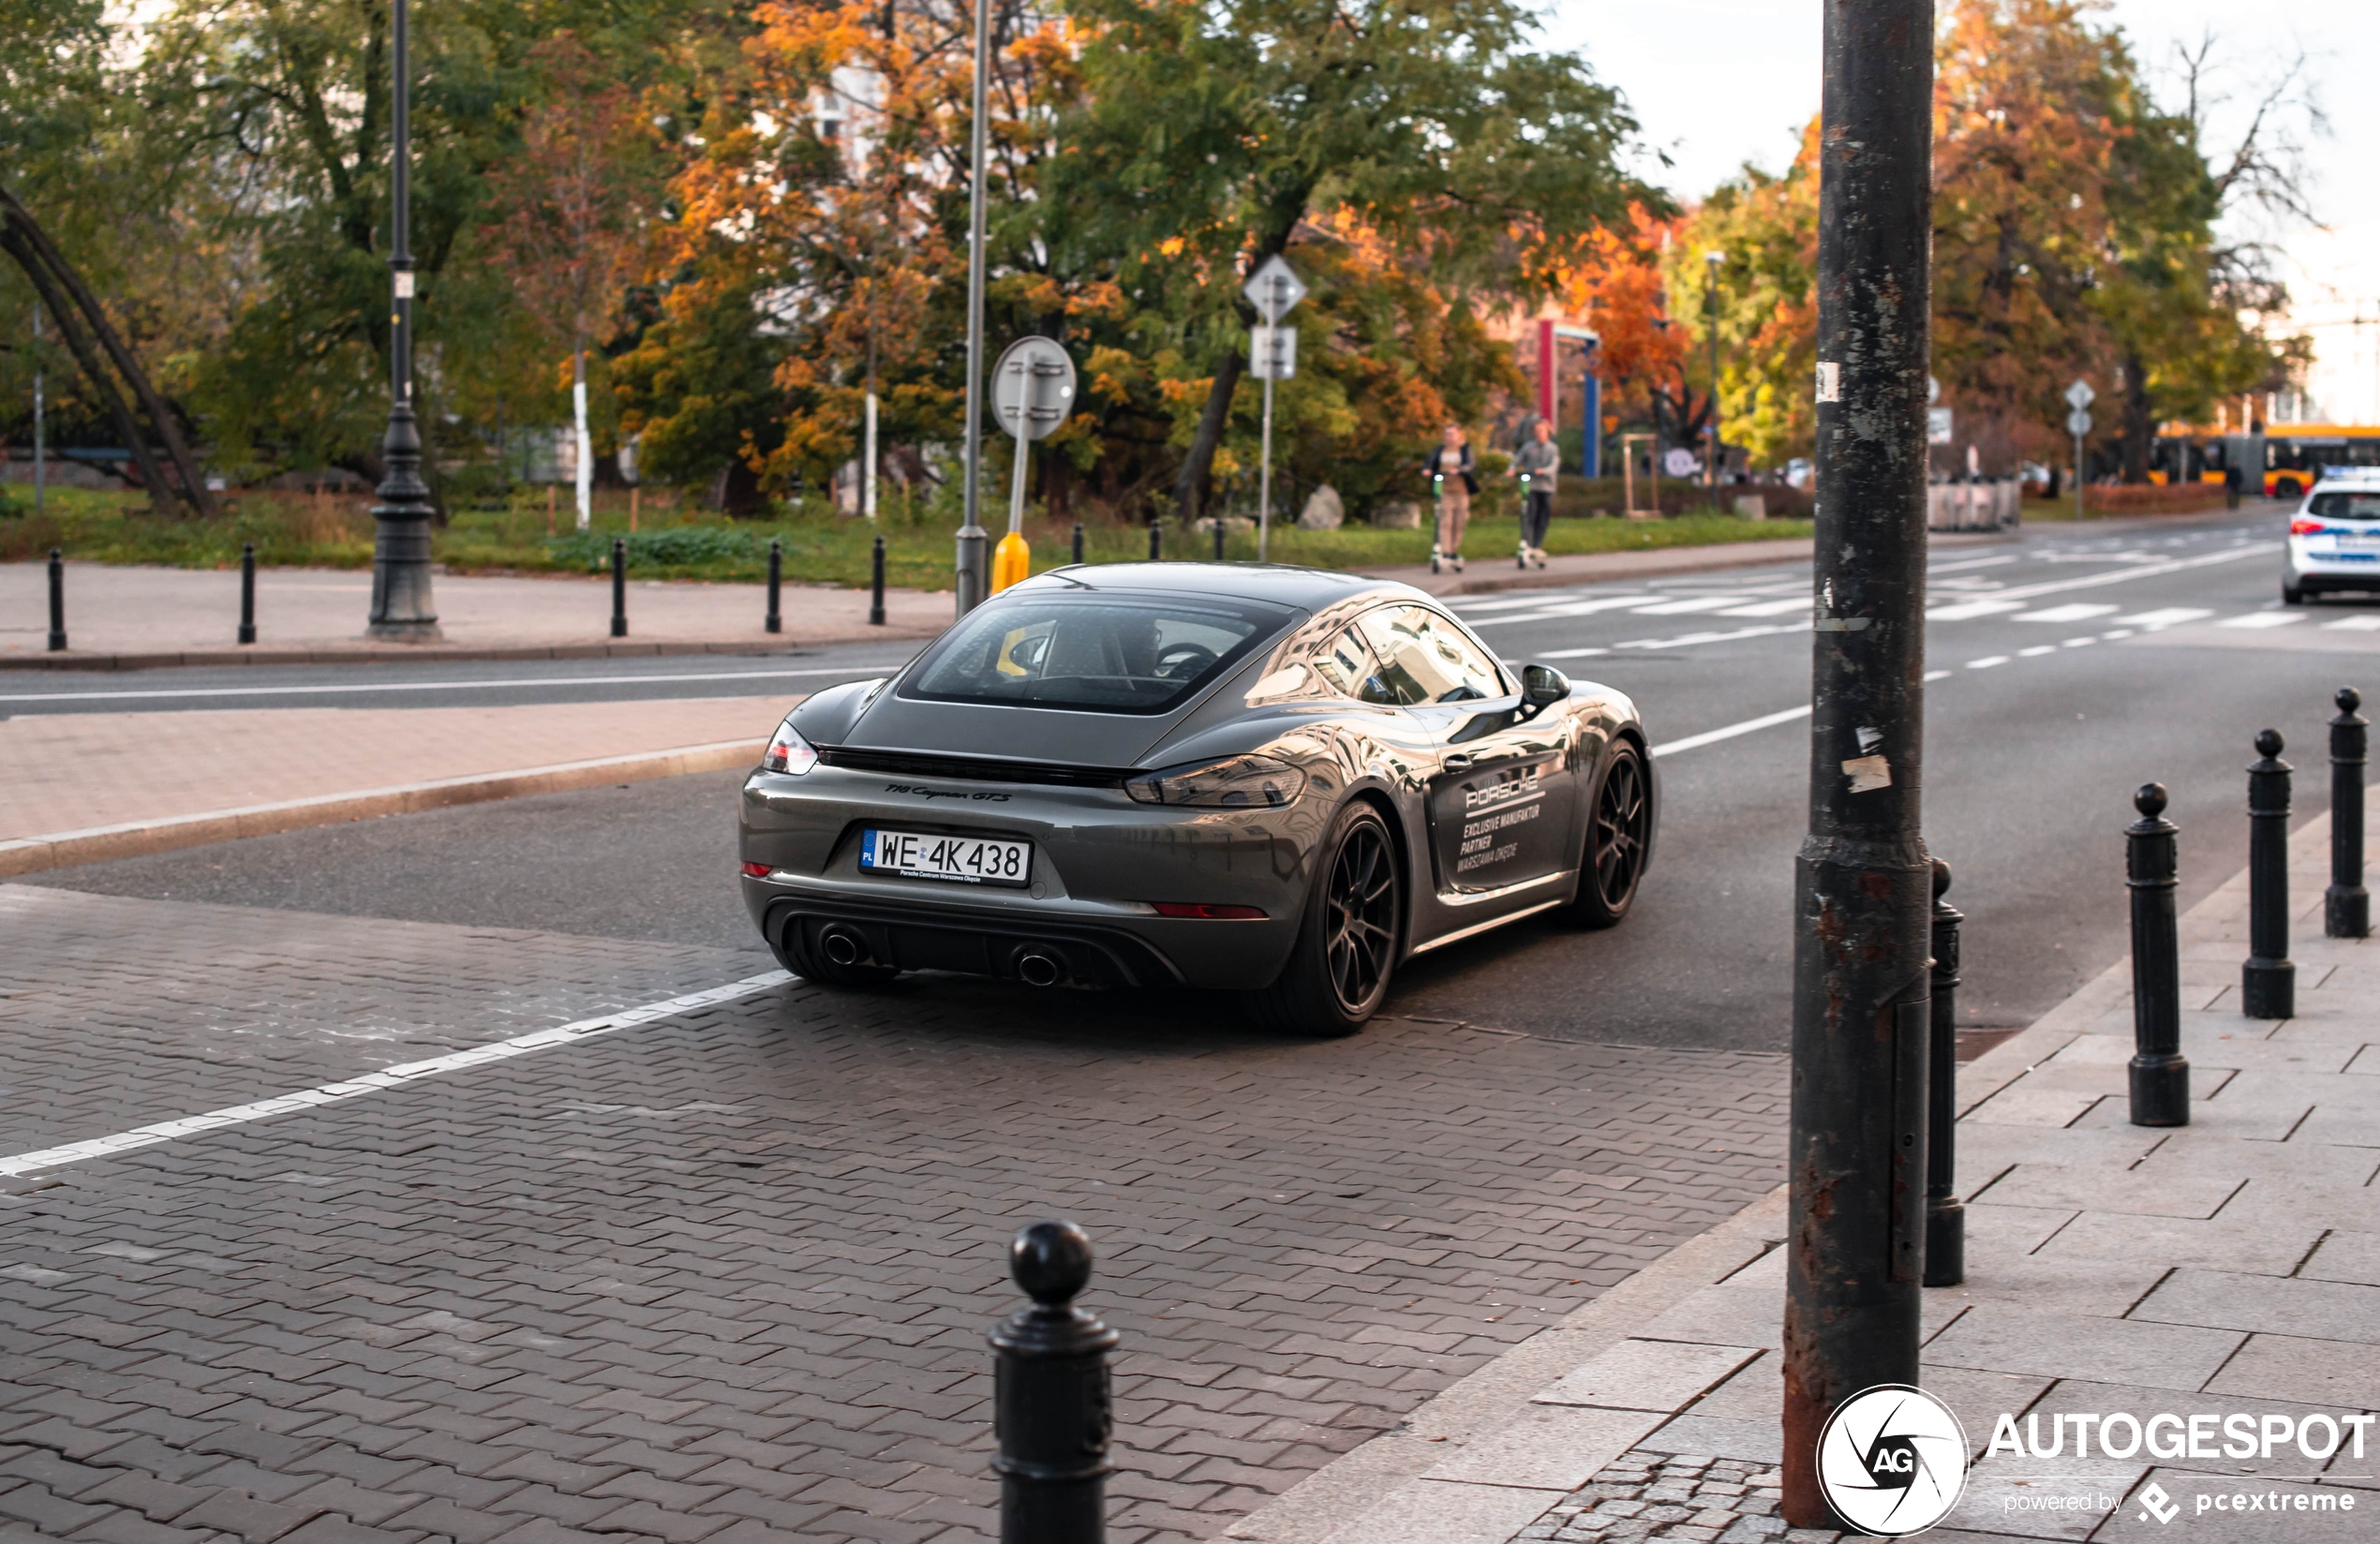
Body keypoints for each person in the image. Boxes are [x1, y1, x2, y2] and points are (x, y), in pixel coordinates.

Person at [1424, 424, 1477, 574]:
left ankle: (1454, 550)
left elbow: (1470, 465)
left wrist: (1459, 470)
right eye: (1447, 434)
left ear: (1459, 435)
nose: (1449, 437)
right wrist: (1427, 470)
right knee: (1445, 520)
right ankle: (1445, 551)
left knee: (1460, 521)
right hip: (1444, 490)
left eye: (1452, 434)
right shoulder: (1439, 450)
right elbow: (1429, 462)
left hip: (1461, 491)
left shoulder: (1465, 449)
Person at [1508, 419, 1559, 570]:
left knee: (1542, 517)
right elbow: (1517, 460)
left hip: (1546, 487)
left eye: (1541, 431)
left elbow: (1554, 465)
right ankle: (1527, 543)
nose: (1539, 434)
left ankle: (1537, 545)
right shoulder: (1528, 447)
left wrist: (1544, 471)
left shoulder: (1552, 448)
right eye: (1536, 431)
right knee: (1529, 514)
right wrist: (1511, 469)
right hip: (1530, 486)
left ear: (1547, 432)